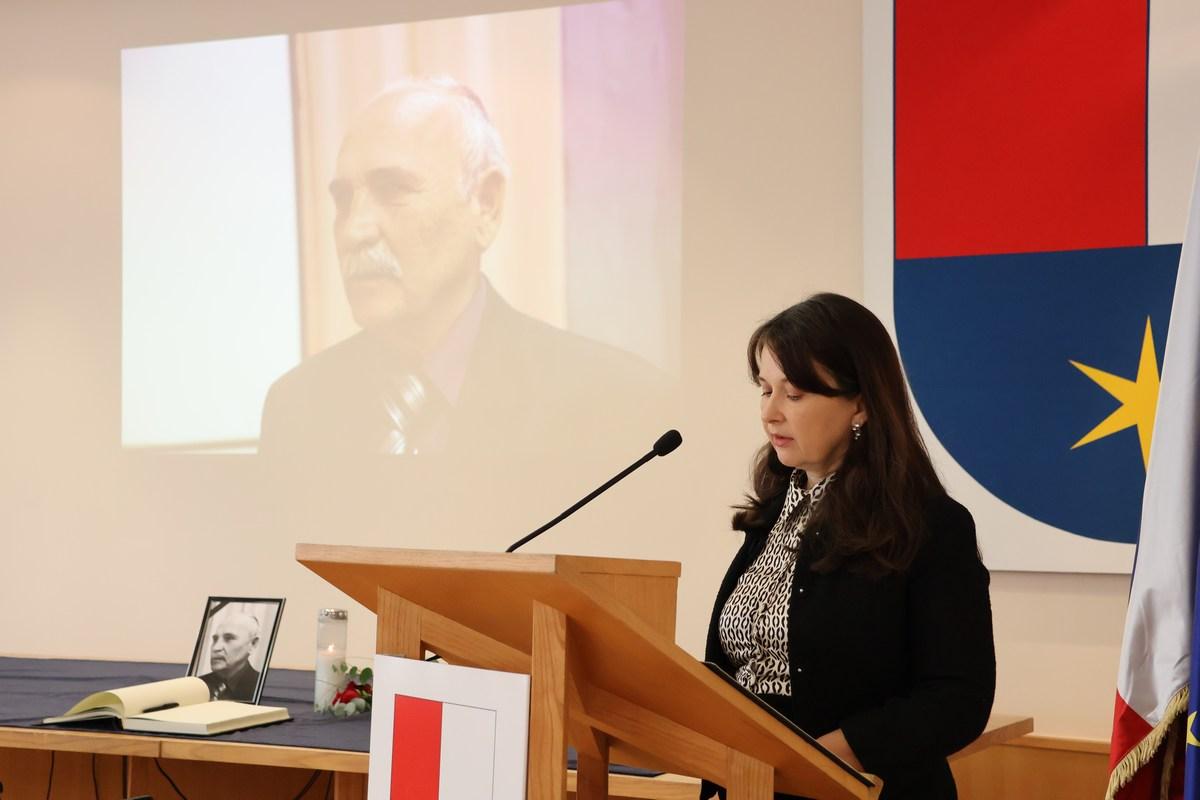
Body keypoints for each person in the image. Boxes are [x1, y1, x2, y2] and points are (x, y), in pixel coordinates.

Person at [259, 77, 659, 456]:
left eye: (393, 189)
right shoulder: (296, 408)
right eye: (344, 200)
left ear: (486, 205)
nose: (353, 230)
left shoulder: (612, 402)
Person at [703, 294, 995, 800]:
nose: (769, 413)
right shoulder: (772, 516)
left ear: (860, 403)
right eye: (765, 390)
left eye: (794, 395)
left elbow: (958, 697)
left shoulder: (930, 526)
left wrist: (834, 753)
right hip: (750, 784)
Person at [199, 613, 262, 702]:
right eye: (215, 639)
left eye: (229, 638)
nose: (216, 648)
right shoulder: (198, 685)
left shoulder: (260, 686)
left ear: (253, 644)